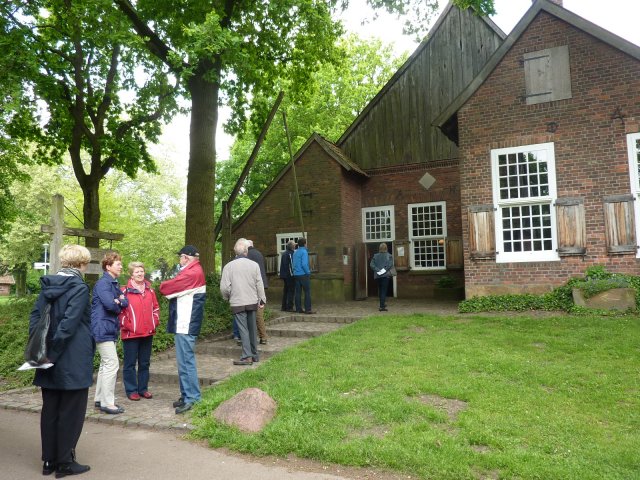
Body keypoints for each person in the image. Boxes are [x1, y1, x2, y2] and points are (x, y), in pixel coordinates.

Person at [29, 244, 93, 477]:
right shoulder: (79, 287)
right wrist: (54, 353)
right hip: (71, 357)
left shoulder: (48, 285)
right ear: (82, 263)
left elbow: (35, 318)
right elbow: (69, 324)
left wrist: (41, 351)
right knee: (71, 410)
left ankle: (49, 461)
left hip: (47, 356)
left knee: (51, 409)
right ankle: (64, 462)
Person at [159, 245, 206, 414]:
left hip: (186, 323)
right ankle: (187, 395)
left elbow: (167, 288)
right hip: (184, 322)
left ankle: (192, 397)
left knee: (186, 362)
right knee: (184, 362)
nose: (179, 260)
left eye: (180, 257)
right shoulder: (193, 270)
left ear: (186, 258)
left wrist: (161, 284)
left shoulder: (191, 273)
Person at [91, 251, 128, 415]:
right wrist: (118, 302)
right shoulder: (104, 284)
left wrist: (119, 301)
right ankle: (108, 403)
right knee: (112, 363)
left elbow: (124, 301)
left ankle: (99, 399)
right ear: (108, 266)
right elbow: (110, 305)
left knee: (105, 365)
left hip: (109, 327)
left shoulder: (113, 283)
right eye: (118, 263)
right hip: (102, 328)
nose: (121, 266)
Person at [220, 238, 266, 366]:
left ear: (235, 252)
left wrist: (228, 296)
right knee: (252, 328)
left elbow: (224, 287)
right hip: (252, 301)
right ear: (246, 252)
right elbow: (259, 284)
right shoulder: (254, 265)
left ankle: (247, 356)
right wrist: (262, 299)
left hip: (237, 301)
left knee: (243, 329)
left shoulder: (228, 266)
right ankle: (254, 354)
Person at [119, 262, 160, 401]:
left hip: (147, 332)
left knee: (145, 362)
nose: (140, 274)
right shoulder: (124, 291)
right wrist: (128, 325)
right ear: (131, 274)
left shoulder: (150, 290)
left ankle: (143, 389)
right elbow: (120, 312)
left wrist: (154, 323)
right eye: (137, 272)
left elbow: (156, 308)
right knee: (130, 363)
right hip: (131, 334)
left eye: (141, 271)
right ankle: (131, 390)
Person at [246, 239, 269, 344]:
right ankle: (263, 336)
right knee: (259, 311)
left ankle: (260, 336)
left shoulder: (247, 255)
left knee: (255, 313)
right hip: (262, 284)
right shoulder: (259, 253)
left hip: (253, 285)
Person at [370, 243, 394, 311]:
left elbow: (371, 265)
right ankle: (382, 307)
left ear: (379, 248)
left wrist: (378, 270)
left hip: (378, 276)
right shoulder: (389, 256)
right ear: (386, 248)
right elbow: (390, 265)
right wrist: (383, 271)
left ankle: (382, 303)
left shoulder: (375, 256)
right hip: (385, 276)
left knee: (380, 290)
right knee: (383, 291)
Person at [293, 237, 314, 314]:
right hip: (303, 274)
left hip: (296, 274)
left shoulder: (295, 252)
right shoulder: (304, 252)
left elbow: (294, 264)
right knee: (307, 292)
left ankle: (298, 309)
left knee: (298, 293)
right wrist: (308, 272)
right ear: (305, 244)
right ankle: (308, 309)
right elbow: (304, 264)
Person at [279, 240, 295, 312]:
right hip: (289, 275)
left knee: (285, 291)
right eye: (294, 245)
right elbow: (291, 265)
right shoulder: (290, 254)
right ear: (292, 246)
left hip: (284, 275)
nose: (295, 246)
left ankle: (284, 306)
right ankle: (289, 307)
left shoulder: (284, 253)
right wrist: (293, 274)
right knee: (291, 291)